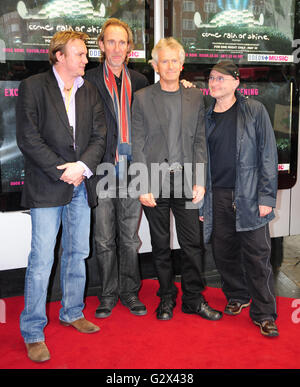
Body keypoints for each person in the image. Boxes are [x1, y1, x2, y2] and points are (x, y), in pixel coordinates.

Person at [16, 31, 107, 362]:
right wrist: (61, 170)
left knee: (78, 252)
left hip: (80, 184)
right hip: (47, 185)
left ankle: (72, 311)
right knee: (42, 260)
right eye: (80, 54)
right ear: (59, 56)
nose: (86, 59)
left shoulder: (90, 91)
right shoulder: (34, 87)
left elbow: (100, 136)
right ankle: (33, 331)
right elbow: (28, 138)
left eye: (85, 54)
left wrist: (82, 167)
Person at [131, 37, 222, 322]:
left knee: (193, 244)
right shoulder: (143, 98)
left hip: (186, 181)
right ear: (156, 65)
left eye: (174, 60)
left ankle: (193, 299)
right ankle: (167, 298)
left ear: (181, 65)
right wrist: (142, 184)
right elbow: (138, 144)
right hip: (154, 180)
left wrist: (200, 180)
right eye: (164, 60)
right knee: (160, 245)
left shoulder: (195, 97)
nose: (169, 65)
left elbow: (198, 141)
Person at [202, 60, 279, 337]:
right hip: (217, 195)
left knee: (258, 256)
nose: (214, 83)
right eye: (211, 78)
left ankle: (265, 313)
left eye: (221, 78)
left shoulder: (254, 111)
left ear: (236, 82)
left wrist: (266, 196)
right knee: (223, 252)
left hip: (249, 195)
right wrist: (202, 203)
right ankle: (238, 293)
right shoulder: (206, 115)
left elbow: (268, 155)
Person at [85, 18, 149, 318]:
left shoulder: (140, 82)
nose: (116, 48)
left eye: (122, 42)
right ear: (101, 45)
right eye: (110, 41)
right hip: (102, 170)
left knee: (129, 238)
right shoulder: (88, 80)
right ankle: (108, 294)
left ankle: (130, 292)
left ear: (129, 48)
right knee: (103, 238)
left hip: (133, 170)